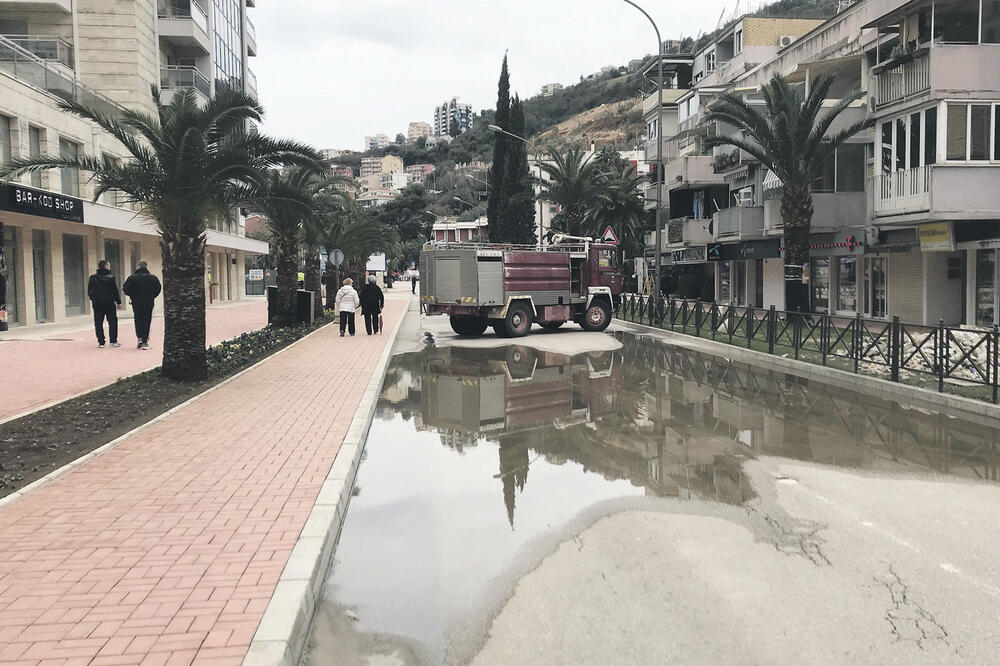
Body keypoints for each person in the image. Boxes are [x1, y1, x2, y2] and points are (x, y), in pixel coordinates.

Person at [122, 261, 162, 350]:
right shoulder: (153, 278)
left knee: (138, 319)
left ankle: (139, 337)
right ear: (146, 267)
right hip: (149, 302)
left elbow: (125, 289)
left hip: (136, 302)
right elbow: (158, 288)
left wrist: (132, 295)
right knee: (147, 320)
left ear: (138, 267)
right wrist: (152, 296)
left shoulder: (132, 278)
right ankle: (145, 341)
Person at [88, 259, 121, 348]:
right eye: (109, 265)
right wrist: (118, 302)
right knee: (112, 322)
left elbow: (89, 291)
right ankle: (113, 341)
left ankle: (101, 342)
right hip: (109, 302)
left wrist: (93, 299)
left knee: (98, 322)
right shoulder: (111, 277)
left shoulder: (92, 277)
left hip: (97, 303)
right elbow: (115, 291)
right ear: (106, 266)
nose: (110, 267)